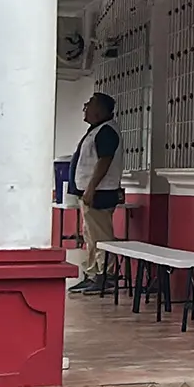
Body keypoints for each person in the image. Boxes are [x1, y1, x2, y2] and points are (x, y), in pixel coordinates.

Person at [67, 93, 123, 295]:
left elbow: (104, 161)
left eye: (89, 104)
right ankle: (92, 274)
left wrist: (91, 188)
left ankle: (105, 276)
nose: (85, 107)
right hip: (91, 192)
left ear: (100, 110)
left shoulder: (106, 131)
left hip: (100, 192)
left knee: (101, 237)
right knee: (90, 235)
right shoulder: (97, 130)